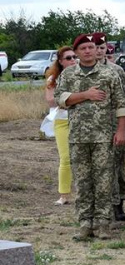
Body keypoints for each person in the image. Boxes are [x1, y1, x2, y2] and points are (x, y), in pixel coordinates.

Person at [54, 34, 125, 241]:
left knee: (104, 181)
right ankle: (85, 223)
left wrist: (122, 129)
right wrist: (85, 95)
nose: (88, 51)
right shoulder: (69, 75)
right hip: (78, 136)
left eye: (91, 47)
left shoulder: (109, 74)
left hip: (103, 136)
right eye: (83, 48)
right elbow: (60, 99)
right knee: (83, 181)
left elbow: (121, 104)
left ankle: (103, 223)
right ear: (77, 52)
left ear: (97, 50)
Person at [92, 32, 125, 222]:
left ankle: (118, 203)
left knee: (116, 166)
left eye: (102, 48)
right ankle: (99, 205)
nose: (99, 51)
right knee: (95, 168)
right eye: (96, 47)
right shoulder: (81, 70)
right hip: (91, 128)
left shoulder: (116, 71)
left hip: (113, 126)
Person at [45, 46, 77, 205]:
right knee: (65, 158)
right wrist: (74, 98)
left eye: (74, 57)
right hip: (62, 121)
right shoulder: (53, 79)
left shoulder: (82, 75)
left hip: (81, 121)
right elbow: (51, 100)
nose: (73, 60)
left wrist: (67, 100)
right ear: (61, 61)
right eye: (69, 58)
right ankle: (64, 194)